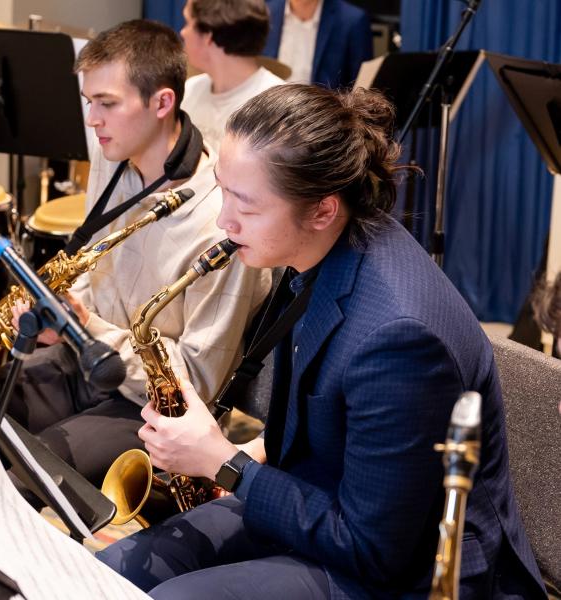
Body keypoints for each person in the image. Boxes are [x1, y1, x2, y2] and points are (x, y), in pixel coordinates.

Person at [97, 83, 546, 599]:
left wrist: (224, 461)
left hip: (407, 571)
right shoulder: (319, 249)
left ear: (322, 210)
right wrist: (251, 453)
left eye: (246, 204)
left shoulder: (400, 338)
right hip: (321, 502)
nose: (223, 221)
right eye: (222, 190)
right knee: (114, 570)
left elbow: (373, 550)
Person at [0, 20, 269, 599]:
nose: (91, 120)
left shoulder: (219, 222)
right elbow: (100, 276)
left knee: (4, 492)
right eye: (88, 102)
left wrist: (90, 330)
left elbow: (199, 384)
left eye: (106, 103)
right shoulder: (116, 156)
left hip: (144, 408)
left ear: (162, 103)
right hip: (75, 370)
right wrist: (60, 308)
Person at [179, 0, 283, 151]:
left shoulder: (277, 106)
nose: (183, 32)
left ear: (208, 35)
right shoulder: (190, 89)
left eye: (188, 23)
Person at [262, 0, 372, 89]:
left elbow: (361, 89)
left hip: (324, 113)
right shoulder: (264, 13)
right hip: (270, 111)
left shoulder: (352, 21)